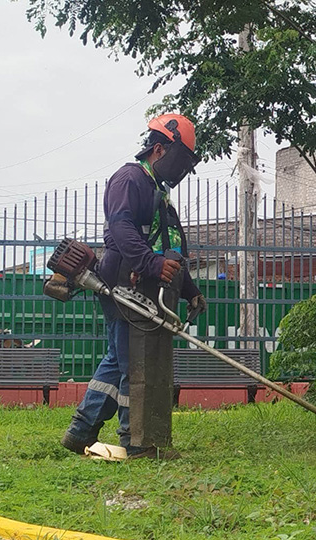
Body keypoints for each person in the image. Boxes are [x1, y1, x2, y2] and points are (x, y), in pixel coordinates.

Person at [60, 114, 205, 460]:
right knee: (134, 365)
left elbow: (168, 243)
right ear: (159, 149)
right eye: (181, 159)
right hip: (125, 282)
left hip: (146, 284)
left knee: (118, 359)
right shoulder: (130, 179)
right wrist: (152, 264)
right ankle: (137, 443)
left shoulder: (158, 189)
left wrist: (189, 289)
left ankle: (80, 432)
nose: (182, 169)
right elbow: (122, 229)